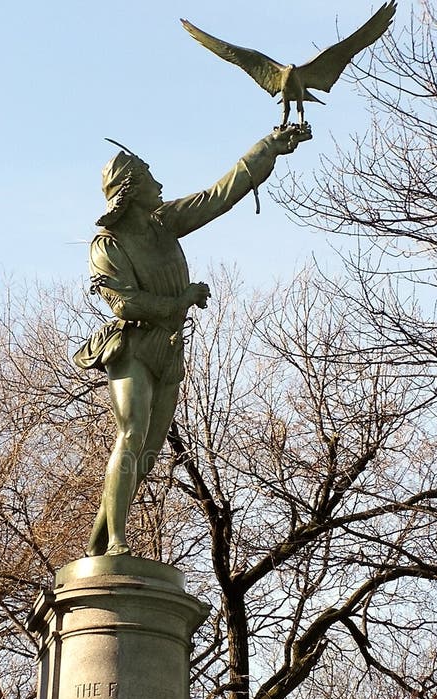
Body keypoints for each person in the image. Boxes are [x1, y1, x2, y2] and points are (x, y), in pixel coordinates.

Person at [74, 125, 310, 556]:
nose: (161, 185)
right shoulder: (108, 244)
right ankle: (117, 545)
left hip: (169, 350)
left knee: (146, 453)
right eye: (150, 178)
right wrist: (180, 300)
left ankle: (98, 542)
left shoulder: (164, 223)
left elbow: (219, 195)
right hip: (133, 347)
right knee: (131, 434)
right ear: (130, 188)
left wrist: (269, 148)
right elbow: (124, 304)